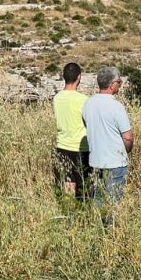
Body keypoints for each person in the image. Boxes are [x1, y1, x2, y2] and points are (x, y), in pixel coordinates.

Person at [82, 67, 133, 223]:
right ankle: (108, 235)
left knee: (98, 199)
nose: (120, 84)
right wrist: (127, 150)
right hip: (115, 161)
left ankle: (97, 230)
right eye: (119, 81)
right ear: (112, 84)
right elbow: (128, 137)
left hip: (96, 160)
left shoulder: (88, 104)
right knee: (112, 202)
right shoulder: (116, 106)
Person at [52, 62, 90, 200]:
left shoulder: (57, 98)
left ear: (64, 77)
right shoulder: (84, 100)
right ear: (79, 77)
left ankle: (69, 215)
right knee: (85, 188)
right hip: (81, 147)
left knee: (68, 184)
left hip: (62, 146)